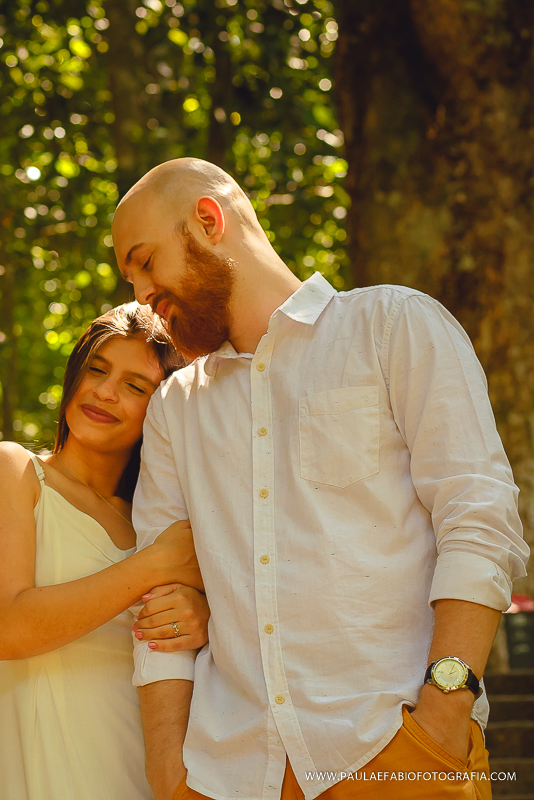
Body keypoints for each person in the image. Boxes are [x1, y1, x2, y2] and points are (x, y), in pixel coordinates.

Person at [113, 157, 530, 800]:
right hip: (227, 773)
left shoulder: (393, 326)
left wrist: (445, 713)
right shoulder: (175, 410)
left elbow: (479, 519)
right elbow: (161, 604)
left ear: (208, 219)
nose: (140, 293)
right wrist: (170, 774)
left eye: (145, 261)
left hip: (398, 749)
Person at [0, 303, 208, 800]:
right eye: (97, 369)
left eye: (136, 386)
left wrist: (200, 620)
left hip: (151, 780)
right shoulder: (13, 472)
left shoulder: (154, 521)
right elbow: (7, 631)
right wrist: (154, 565)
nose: (104, 391)